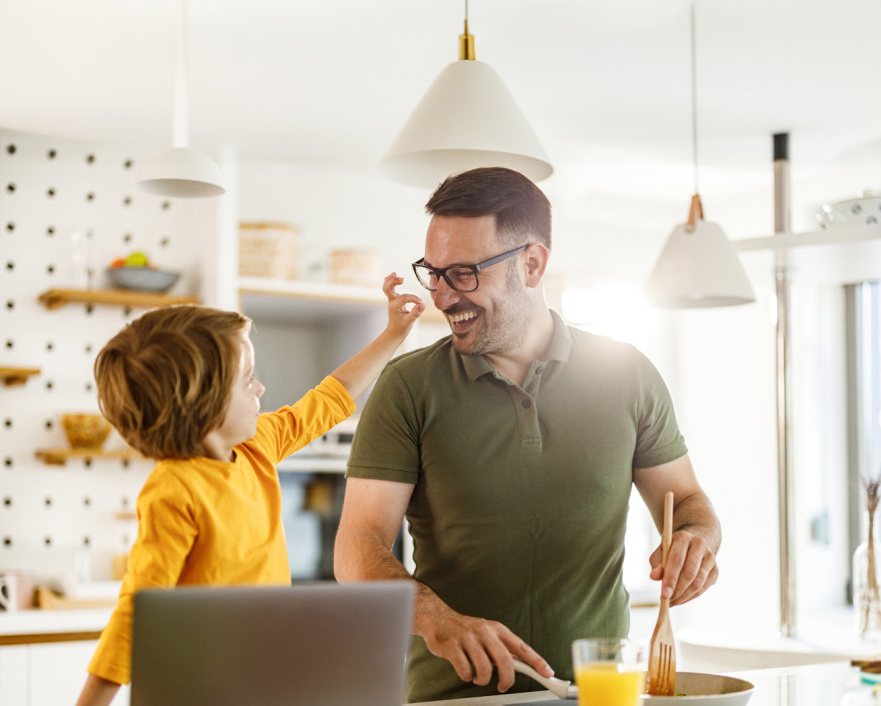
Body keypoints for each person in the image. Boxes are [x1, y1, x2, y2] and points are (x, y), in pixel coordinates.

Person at [334, 167, 722, 702]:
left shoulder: (628, 374)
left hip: (598, 695)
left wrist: (696, 541)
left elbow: (691, 505)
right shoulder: (408, 387)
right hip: (452, 699)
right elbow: (357, 548)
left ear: (533, 263)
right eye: (434, 272)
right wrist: (437, 620)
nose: (442, 297)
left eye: (464, 273)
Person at [74, 275, 426, 706]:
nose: (260, 388)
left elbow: (332, 398)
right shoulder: (173, 489)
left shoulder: (258, 445)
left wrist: (393, 333)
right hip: (199, 684)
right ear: (202, 403)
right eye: (246, 381)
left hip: (262, 667)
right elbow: (137, 610)